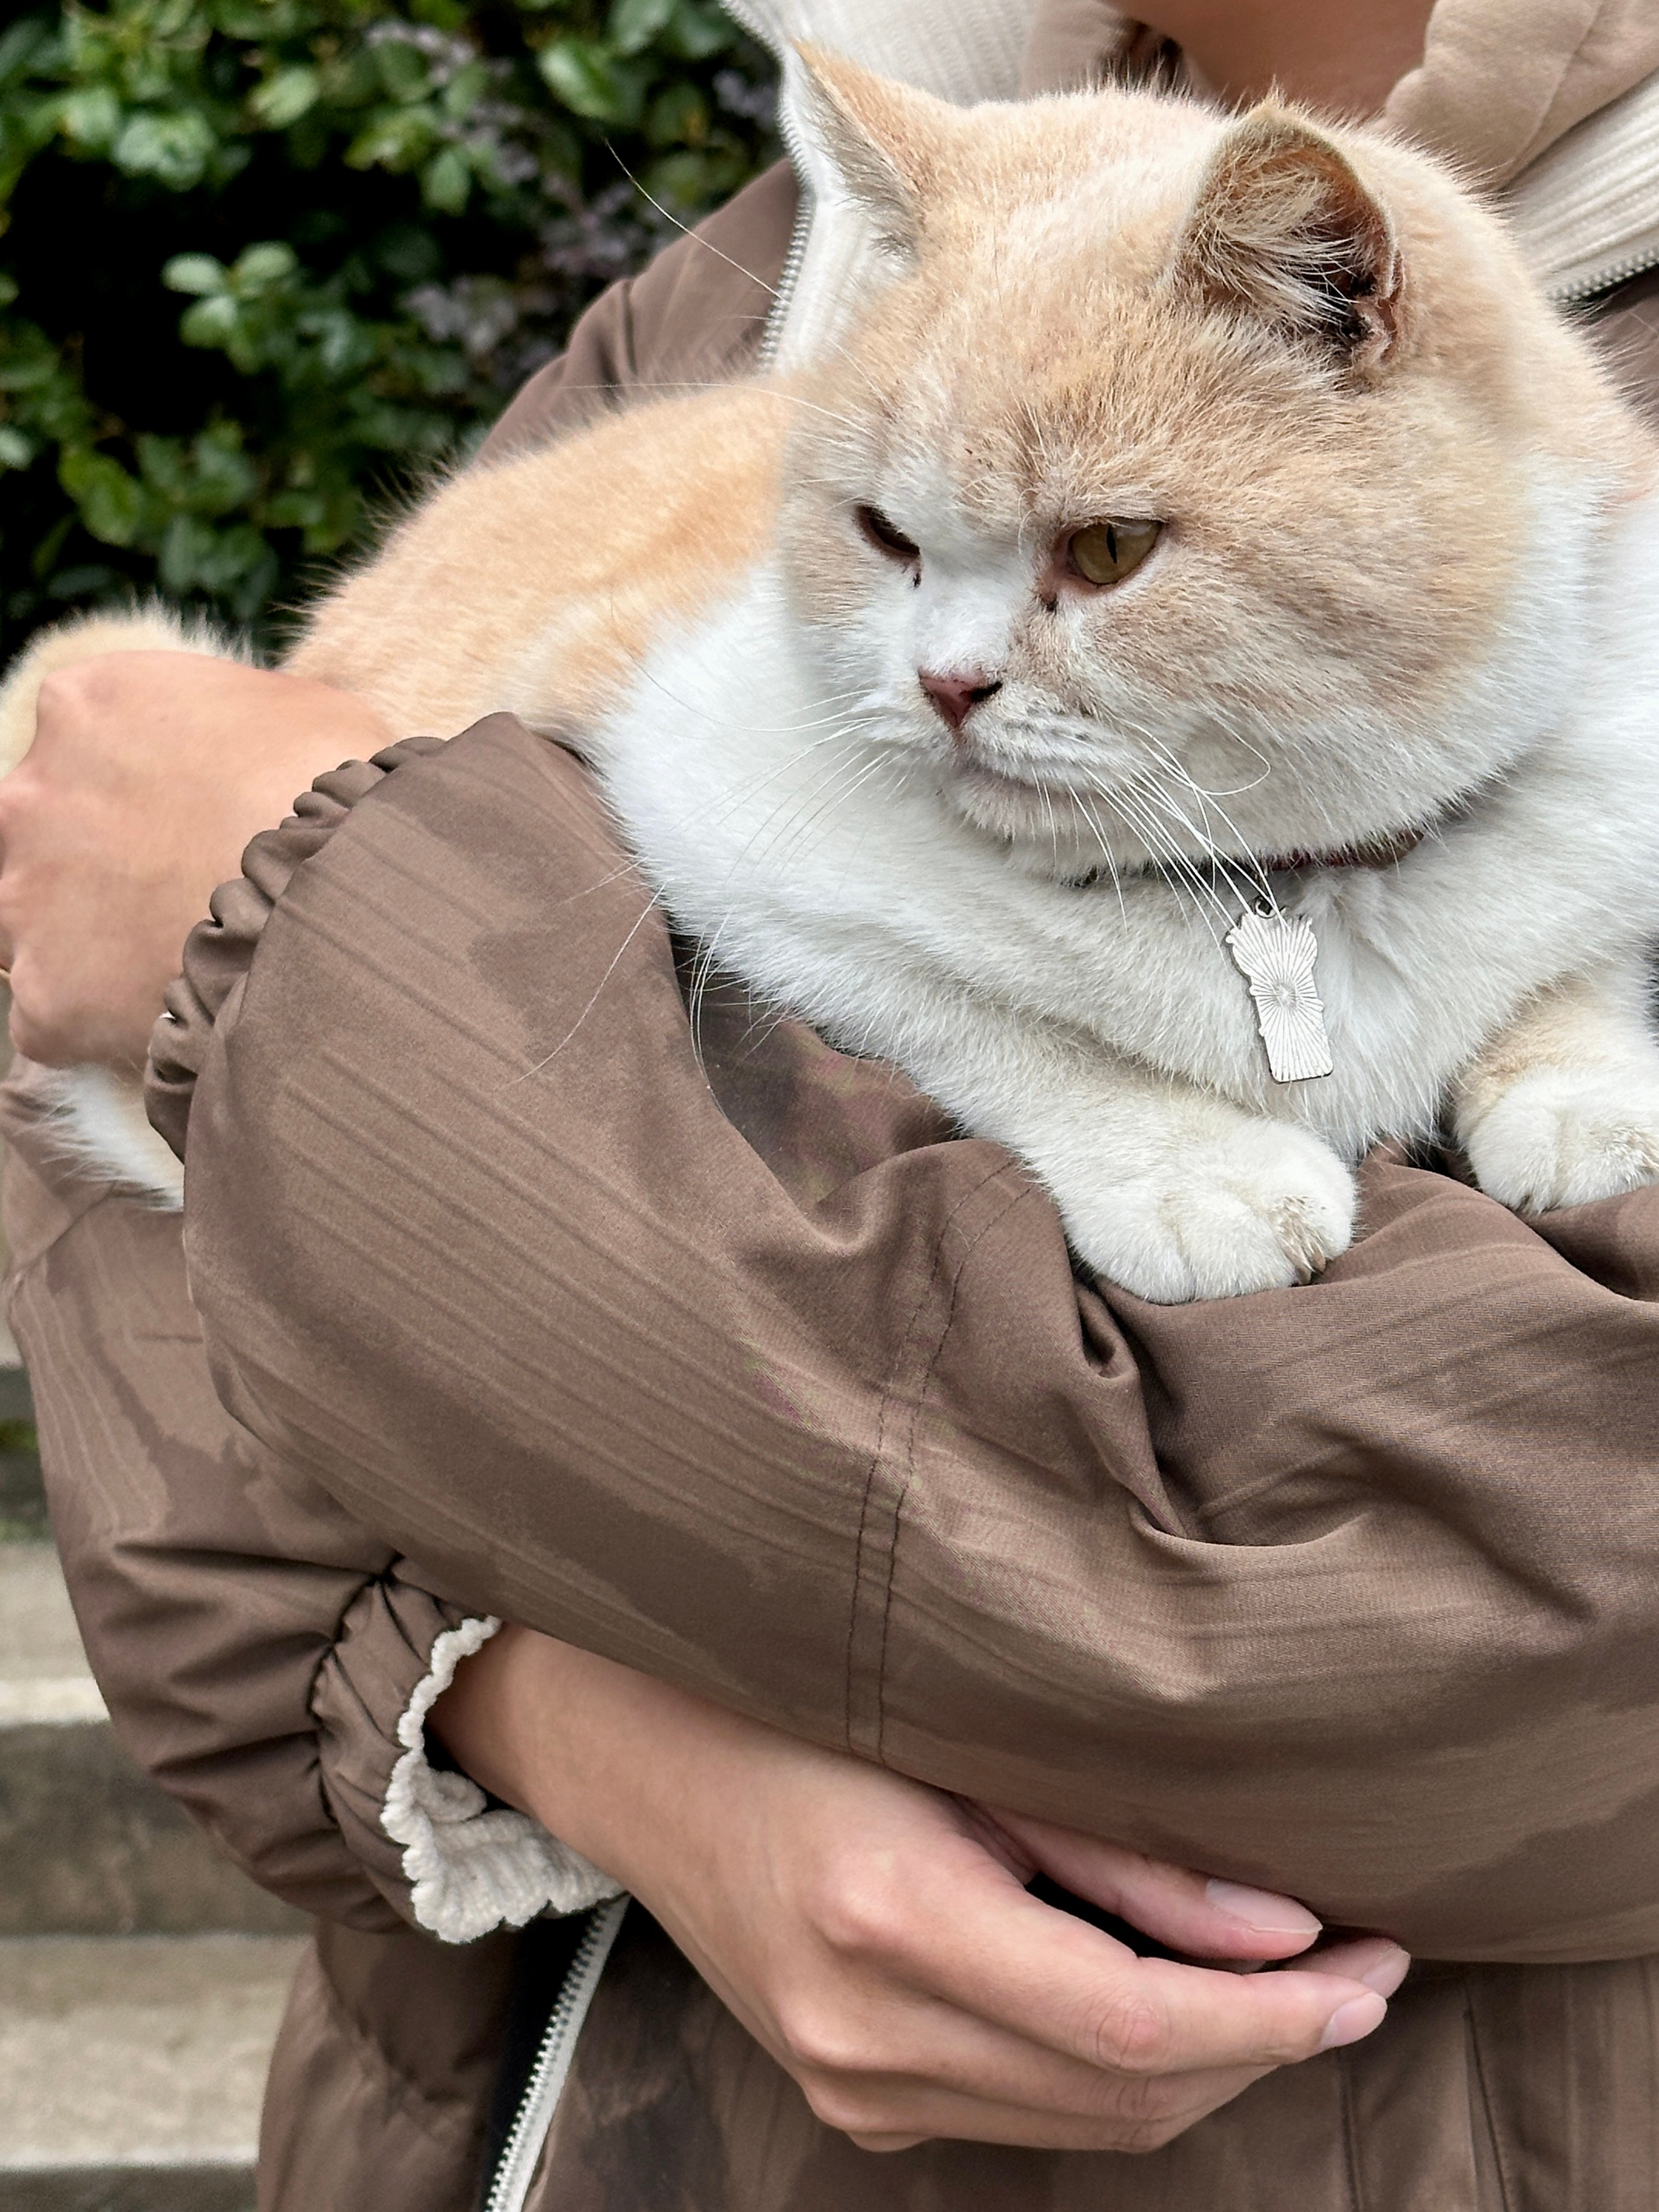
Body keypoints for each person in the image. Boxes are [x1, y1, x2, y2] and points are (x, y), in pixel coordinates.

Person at [5, 2, 1659, 2206]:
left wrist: (288, 918)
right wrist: (548, 1723)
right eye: (886, 541)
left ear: (1365, 313)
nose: (951, 671)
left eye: (1095, 550)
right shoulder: (786, 237)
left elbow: (1505, 1591)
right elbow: (125, 1245)